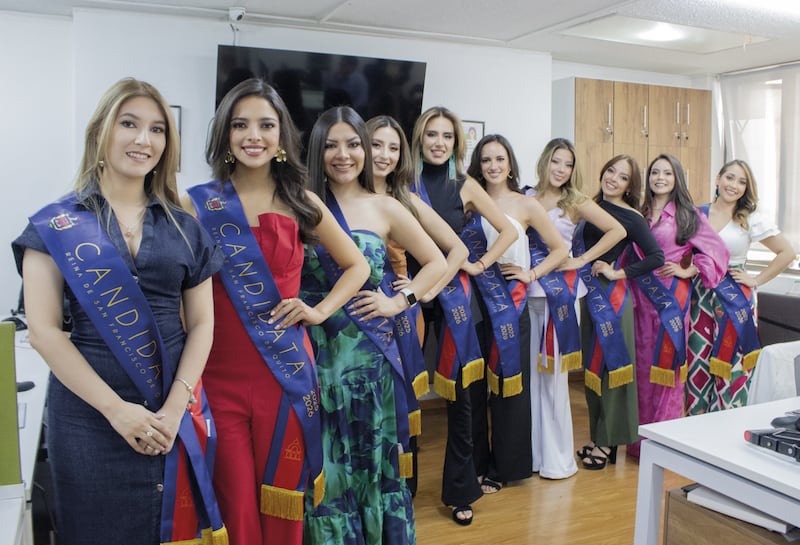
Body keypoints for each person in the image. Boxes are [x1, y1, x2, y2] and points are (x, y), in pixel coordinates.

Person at [12, 78, 226, 545]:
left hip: (171, 411)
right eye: (129, 124)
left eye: (157, 129)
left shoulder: (185, 226)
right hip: (88, 416)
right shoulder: (54, 224)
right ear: (101, 133)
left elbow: (204, 323)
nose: (143, 140)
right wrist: (116, 411)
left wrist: (173, 409)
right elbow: (45, 332)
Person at [182, 79, 370, 545]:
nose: (253, 135)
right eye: (240, 124)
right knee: (236, 502)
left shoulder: (302, 201)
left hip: (284, 372)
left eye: (266, 125)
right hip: (216, 375)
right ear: (225, 133)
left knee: (284, 497)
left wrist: (320, 309)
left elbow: (357, 265)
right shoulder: (195, 203)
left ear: (282, 136)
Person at [303, 106, 447, 545]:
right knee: (324, 464)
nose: (342, 155)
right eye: (331, 145)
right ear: (317, 150)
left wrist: (397, 301)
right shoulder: (299, 202)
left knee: (368, 461)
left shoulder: (385, 206)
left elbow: (438, 262)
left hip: (368, 359)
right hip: (313, 353)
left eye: (352, 144)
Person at [410, 106, 517, 525]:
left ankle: (460, 490)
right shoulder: (404, 183)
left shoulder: (466, 185)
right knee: (407, 394)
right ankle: (403, 487)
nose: (439, 142)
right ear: (420, 139)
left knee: (463, 398)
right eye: (432, 135)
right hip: (415, 296)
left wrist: (482, 262)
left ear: (456, 143)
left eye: (447, 136)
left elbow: (509, 230)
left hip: (456, 298)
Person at [366, 114, 469, 496]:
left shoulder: (404, 199)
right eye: (377, 145)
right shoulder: (337, 194)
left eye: (393, 148)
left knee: (396, 409)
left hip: (397, 317)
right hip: (349, 319)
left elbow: (455, 250)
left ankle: (397, 499)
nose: (385, 155)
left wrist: (418, 294)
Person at [465, 134, 568, 492]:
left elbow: (559, 248)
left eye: (500, 159)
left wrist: (532, 274)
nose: (493, 166)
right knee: (474, 387)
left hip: (512, 302)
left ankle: (505, 466)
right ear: (478, 165)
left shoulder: (525, 205)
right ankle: (475, 463)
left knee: (510, 388)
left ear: (510, 164)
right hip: (475, 301)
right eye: (486, 160)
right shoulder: (467, 199)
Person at [525, 138, 625, 478]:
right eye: (555, 161)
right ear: (544, 162)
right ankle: (534, 456)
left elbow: (617, 230)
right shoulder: (526, 197)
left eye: (567, 164)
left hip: (561, 299)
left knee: (553, 380)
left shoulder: (576, 201)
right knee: (532, 380)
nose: (560, 169)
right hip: (528, 296)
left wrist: (581, 259)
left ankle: (557, 460)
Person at [628, 154, 729, 457]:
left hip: (671, 298)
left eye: (667, 173)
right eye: (655, 172)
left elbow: (717, 250)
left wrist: (690, 269)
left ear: (677, 178)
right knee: (642, 369)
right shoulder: (638, 212)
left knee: (668, 370)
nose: (659, 177)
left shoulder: (688, 214)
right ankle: (638, 443)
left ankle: (664, 444)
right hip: (638, 297)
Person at [575, 155, 664, 469]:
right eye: (610, 170)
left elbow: (655, 256)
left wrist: (619, 274)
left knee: (612, 371)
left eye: (622, 176)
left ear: (630, 186)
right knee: (594, 371)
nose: (612, 178)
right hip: (589, 297)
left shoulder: (630, 217)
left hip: (612, 300)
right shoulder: (590, 205)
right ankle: (600, 438)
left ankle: (609, 442)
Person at [686, 160, 794, 414]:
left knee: (732, 365)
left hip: (734, 297)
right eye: (730, 178)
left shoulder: (750, 218)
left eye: (741, 181)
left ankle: (725, 428)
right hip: (700, 296)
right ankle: (695, 429)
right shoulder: (697, 214)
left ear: (746, 188)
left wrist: (756, 280)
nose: (734, 185)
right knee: (698, 363)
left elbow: (786, 252)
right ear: (718, 179)